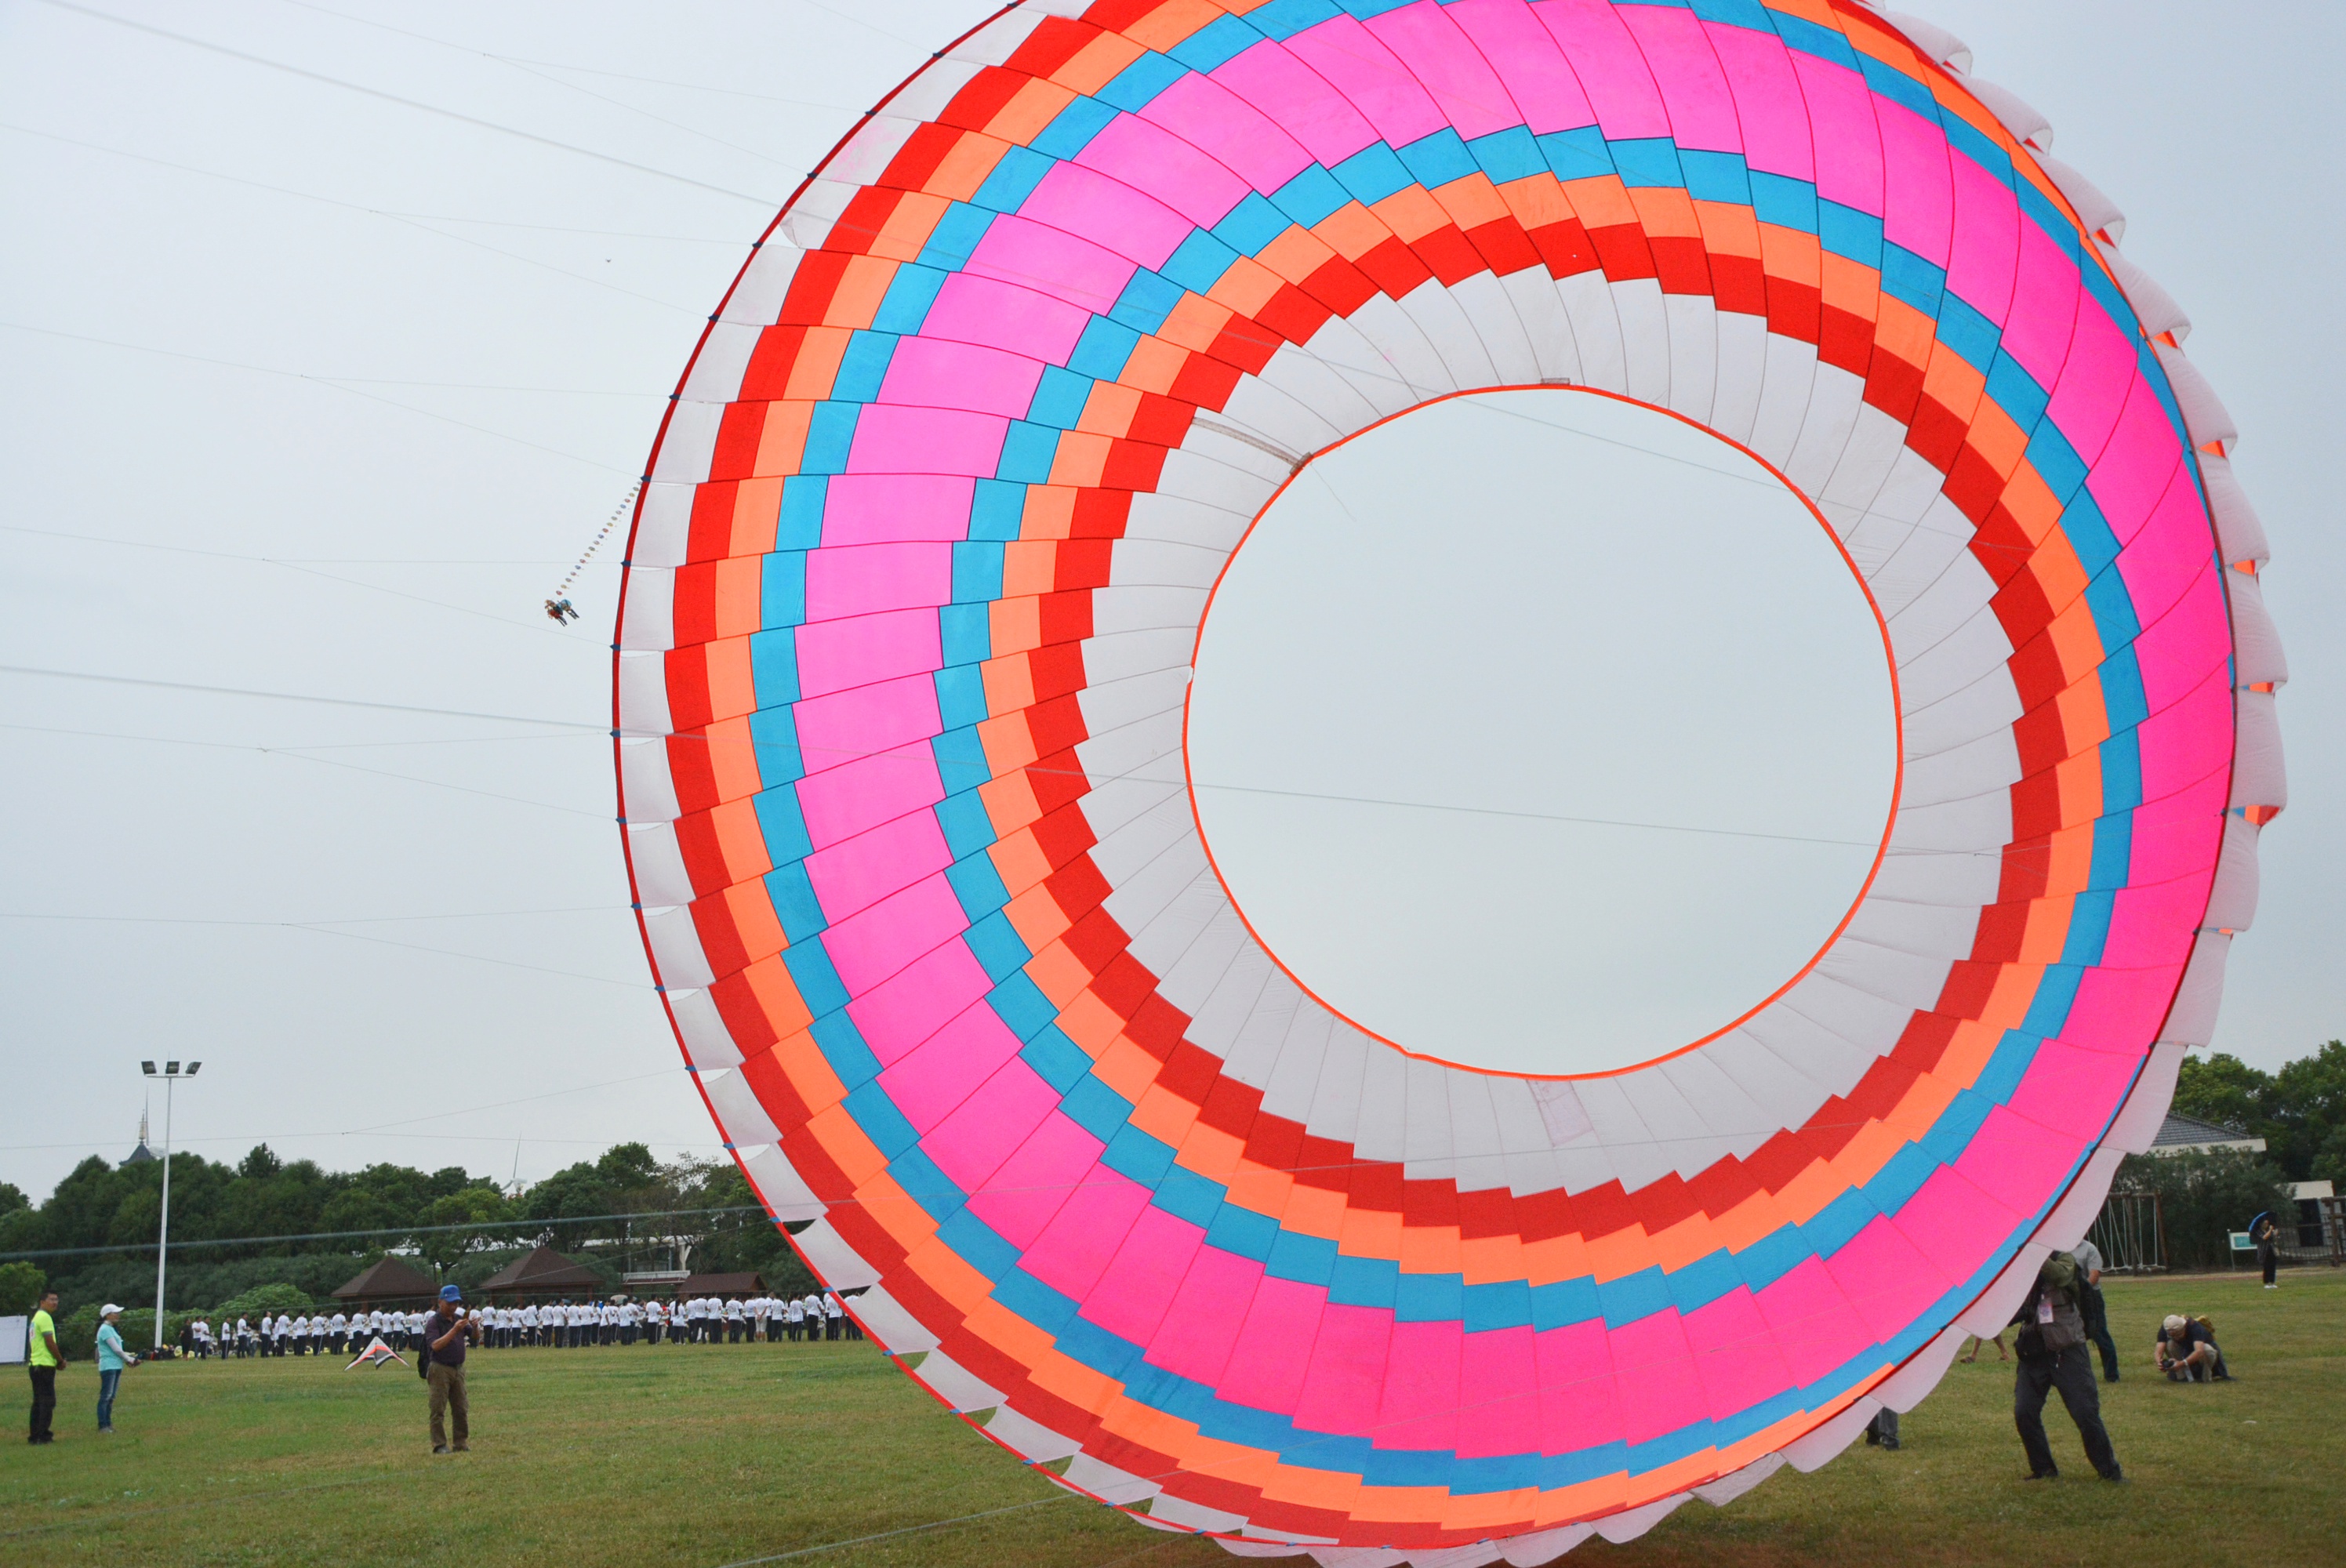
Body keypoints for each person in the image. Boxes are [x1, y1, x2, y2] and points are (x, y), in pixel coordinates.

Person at [2010, 1252, 2123, 1483]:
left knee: (2085, 1413)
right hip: (2034, 1353)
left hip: (2068, 1350)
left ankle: (2109, 1471)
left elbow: (2060, 1276)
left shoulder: (2065, 1259)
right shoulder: (2020, 1265)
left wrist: (2033, 1253)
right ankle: (2043, 1469)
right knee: (2024, 1412)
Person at [421, 1284, 479, 1455]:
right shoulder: (434, 1322)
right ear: (440, 1302)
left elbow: (474, 1337)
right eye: (450, 1303)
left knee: (461, 1408)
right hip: (440, 1368)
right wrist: (455, 1330)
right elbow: (436, 1345)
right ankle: (439, 1444)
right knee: (438, 1408)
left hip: (458, 1369)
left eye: (456, 1303)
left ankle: (460, 1442)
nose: (453, 1307)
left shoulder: (458, 1319)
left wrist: (475, 1327)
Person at [2072, 1239, 2120, 1383]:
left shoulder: (2089, 1249)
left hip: (2091, 1297)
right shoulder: (2062, 1249)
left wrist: (2081, 1292)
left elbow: (2094, 1275)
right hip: (2070, 1298)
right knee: (2072, 1336)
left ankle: (2112, 1375)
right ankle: (2076, 1376)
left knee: (2099, 1334)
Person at [95, 1305, 137, 1434]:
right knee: (106, 1396)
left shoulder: (111, 1329)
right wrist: (129, 1359)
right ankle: (103, 1425)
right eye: (115, 1313)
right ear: (107, 1315)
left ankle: (108, 1423)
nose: (118, 1315)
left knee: (111, 1396)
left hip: (116, 1365)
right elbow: (116, 1349)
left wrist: (128, 1359)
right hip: (109, 1366)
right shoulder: (105, 1330)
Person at [27, 1289, 61, 1444]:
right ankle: (42, 1435)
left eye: (56, 1300)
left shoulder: (36, 1318)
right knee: (47, 1401)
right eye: (51, 1299)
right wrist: (60, 1360)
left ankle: (35, 1435)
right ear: (42, 1302)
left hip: (35, 1364)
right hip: (44, 1364)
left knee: (38, 1401)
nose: (54, 1302)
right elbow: (50, 1341)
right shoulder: (45, 1317)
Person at [2155, 1314, 2228, 1381]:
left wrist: (2181, 1363)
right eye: (2172, 1336)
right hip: (2183, 1350)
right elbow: (2159, 1349)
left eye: (2178, 1335)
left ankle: (2206, 1377)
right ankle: (2182, 1377)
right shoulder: (2166, 1328)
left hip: (2202, 1353)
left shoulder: (2195, 1327)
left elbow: (2199, 1351)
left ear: (2184, 1327)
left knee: (2207, 1349)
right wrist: (2160, 1363)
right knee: (2170, 1344)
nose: (2176, 1338)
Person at [2253, 1214, 2280, 1289]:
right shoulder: (2258, 1231)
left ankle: (2272, 1282)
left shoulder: (2269, 1230)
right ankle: (2266, 1283)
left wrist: (2275, 1232)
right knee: (2266, 1267)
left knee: (2272, 1267)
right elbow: (2265, 1237)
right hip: (2264, 1252)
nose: (2267, 1225)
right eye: (2265, 1224)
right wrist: (2270, 1230)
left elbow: (2273, 1237)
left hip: (2271, 1250)